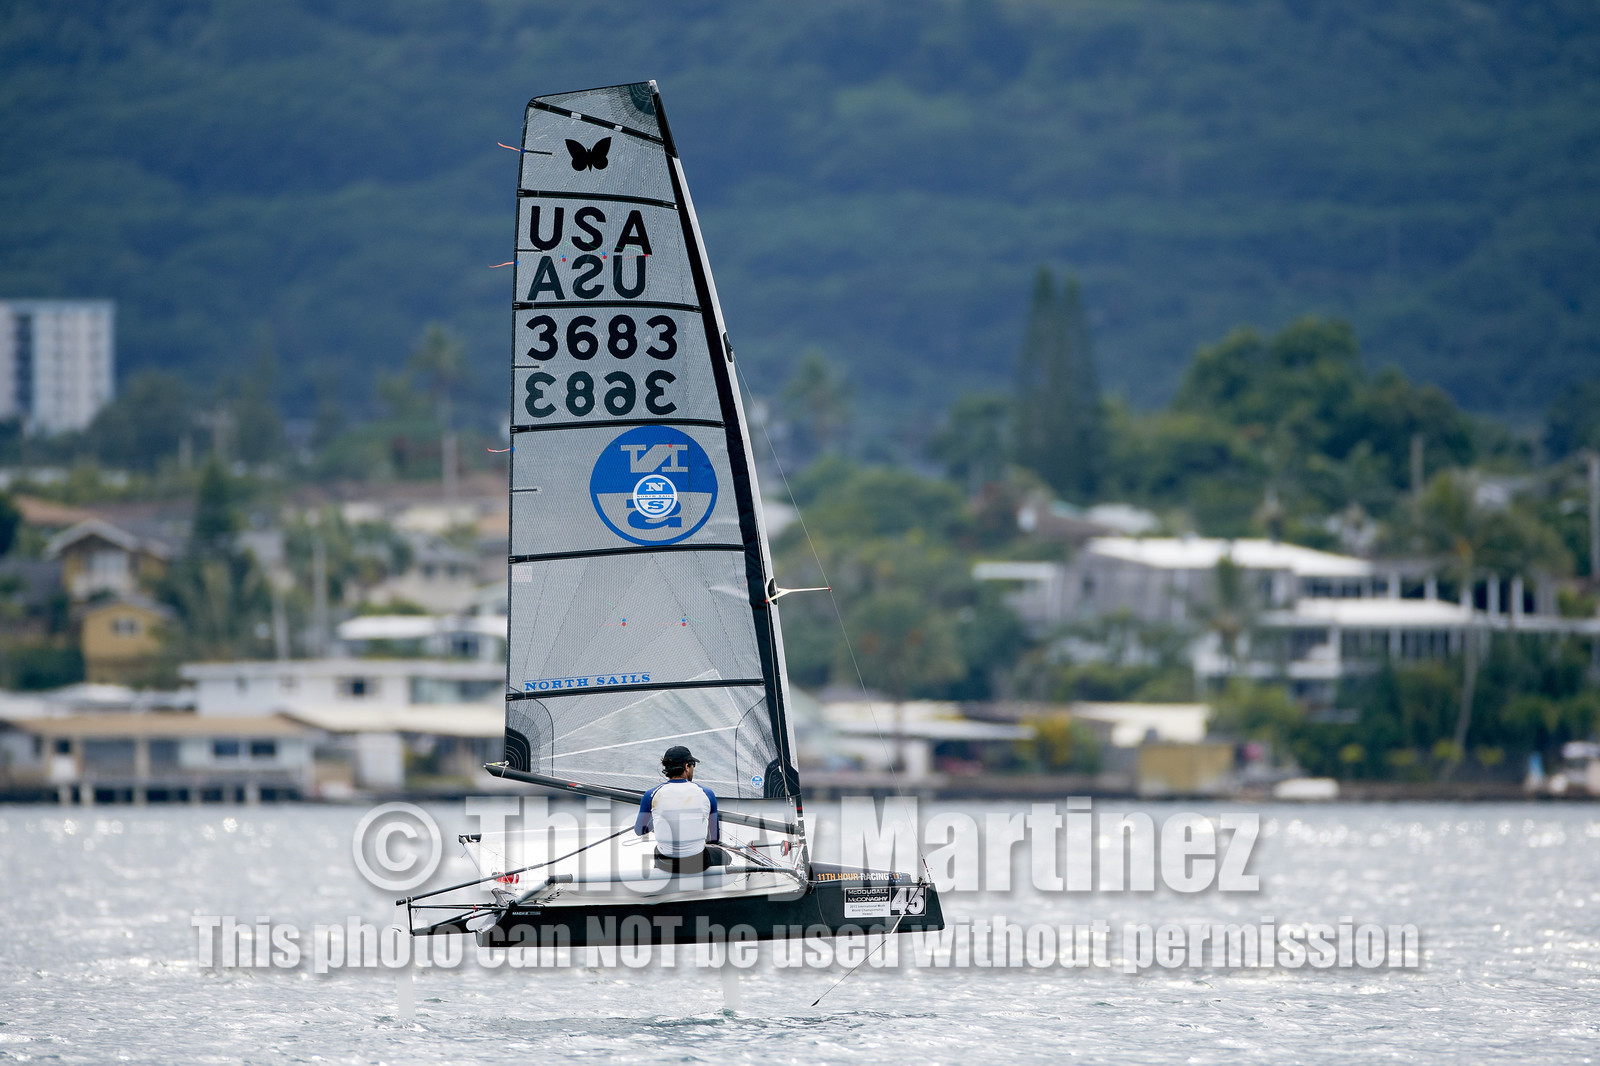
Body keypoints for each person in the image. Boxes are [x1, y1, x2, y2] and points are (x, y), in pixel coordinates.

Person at [635, 745, 727, 873]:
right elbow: (713, 838)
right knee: (725, 856)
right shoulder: (707, 794)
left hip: (665, 864)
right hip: (697, 863)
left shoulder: (651, 795)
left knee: (658, 849)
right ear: (686, 766)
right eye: (693, 765)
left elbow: (640, 830)